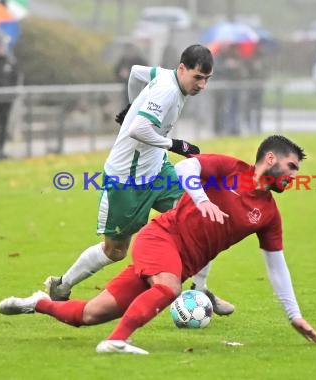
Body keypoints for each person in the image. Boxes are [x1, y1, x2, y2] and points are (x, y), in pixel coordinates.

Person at [0, 135, 316, 354]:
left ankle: (37, 303)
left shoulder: (268, 214)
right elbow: (184, 167)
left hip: (178, 263)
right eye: (292, 166)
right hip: (160, 239)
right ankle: (116, 342)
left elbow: (277, 266)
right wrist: (200, 198)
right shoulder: (229, 168)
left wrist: (293, 315)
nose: (295, 175)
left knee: (90, 314)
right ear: (270, 159)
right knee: (168, 290)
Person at [44, 44, 235, 316]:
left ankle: (200, 290)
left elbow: (135, 73)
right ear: (182, 69)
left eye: (207, 79)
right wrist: (174, 144)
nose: (202, 85)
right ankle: (62, 285)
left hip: (158, 171)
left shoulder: (165, 75)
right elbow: (138, 129)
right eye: (198, 78)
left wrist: (132, 104)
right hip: (127, 181)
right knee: (115, 252)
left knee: (202, 219)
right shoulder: (167, 91)